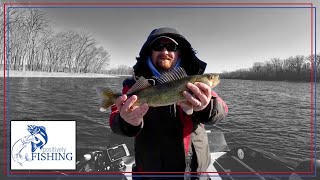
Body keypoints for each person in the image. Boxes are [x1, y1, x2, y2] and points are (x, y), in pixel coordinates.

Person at [109, 27, 228, 179]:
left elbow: (222, 110)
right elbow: (115, 120)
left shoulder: (195, 81)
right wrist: (127, 122)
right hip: (151, 174)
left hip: (194, 173)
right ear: (149, 51)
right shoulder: (134, 84)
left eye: (171, 47)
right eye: (158, 47)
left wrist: (206, 107)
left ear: (179, 52)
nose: (165, 52)